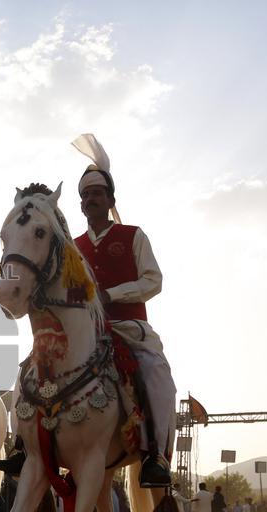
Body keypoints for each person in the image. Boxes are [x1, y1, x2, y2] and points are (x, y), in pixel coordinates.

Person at [69, 134, 177, 488]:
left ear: (111, 199)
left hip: (130, 329)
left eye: (96, 193)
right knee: (37, 370)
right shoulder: (73, 247)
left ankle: (157, 458)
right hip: (87, 336)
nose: (90, 200)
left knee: (160, 380)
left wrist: (111, 295)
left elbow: (153, 280)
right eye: (85, 195)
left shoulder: (133, 236)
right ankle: (34, 449)